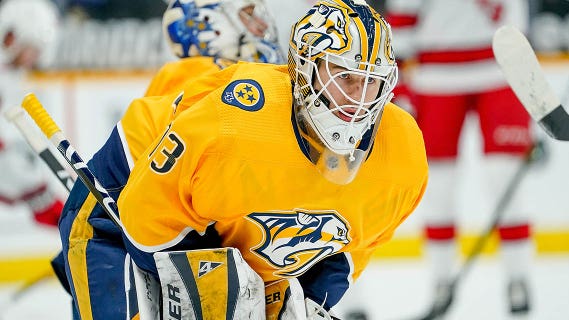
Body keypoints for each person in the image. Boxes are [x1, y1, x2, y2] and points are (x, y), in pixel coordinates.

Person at [57, 0, 427, 319]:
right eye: (345, 77)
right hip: (124, 215)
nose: (358, 99)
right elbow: (144, 216)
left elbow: (348, 247)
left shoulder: (403, 153)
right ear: (305, 70)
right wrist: (212, 289)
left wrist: (306, 300)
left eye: (371, 80)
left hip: (211, 225)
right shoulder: (236, 118)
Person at [385, 0, 534, 318]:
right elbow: (402, 14)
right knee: (437, 185)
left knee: (503, 177)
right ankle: (440, 281)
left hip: (503, 67)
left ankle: (518, 277)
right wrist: (401, 82)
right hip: (436, 75)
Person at [0, 0, 65, 228]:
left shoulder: (8, 75)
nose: (33, 59)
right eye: (32, 49)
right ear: (12, 37)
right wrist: (39, 194)